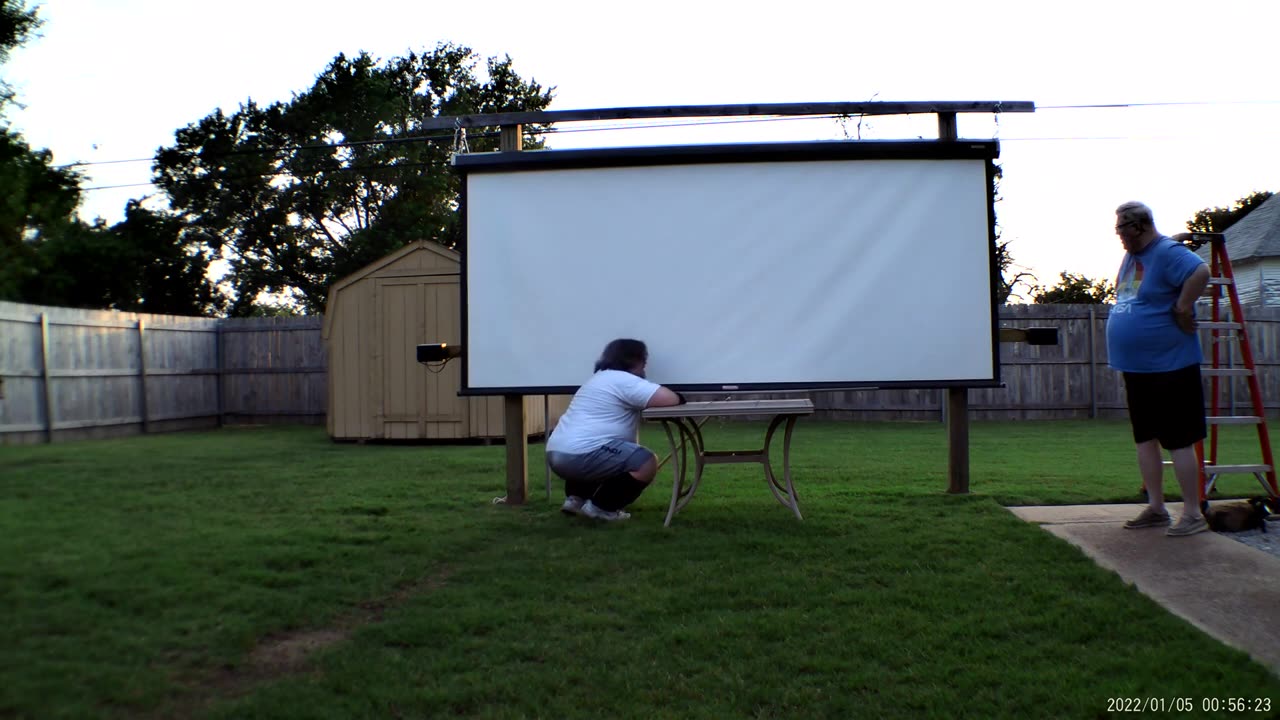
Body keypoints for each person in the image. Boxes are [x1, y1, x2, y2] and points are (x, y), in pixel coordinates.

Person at [1106, 201, 1212, 536]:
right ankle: (1156, 508)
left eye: (1122, 229)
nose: (1119, 236)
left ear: (1139, 225)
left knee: (1179, 440)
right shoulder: (1133, 257)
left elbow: (1201, 271)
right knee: (1145, 439)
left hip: (1170, 365)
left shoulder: (1166, 251)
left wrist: (1183, 306)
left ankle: (1193, 515)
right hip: (1138, 367)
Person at [546, 338, 685, 521]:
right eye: (644, 362)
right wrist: (680, 396)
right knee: (646, 462)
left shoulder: (598, 378)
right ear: (637, 360)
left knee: (606, 453)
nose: (645, 368)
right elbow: (668, 398)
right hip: (582, 455)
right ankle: (601, 509)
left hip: (556, 452)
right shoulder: (624, 380)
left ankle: (575, 500)